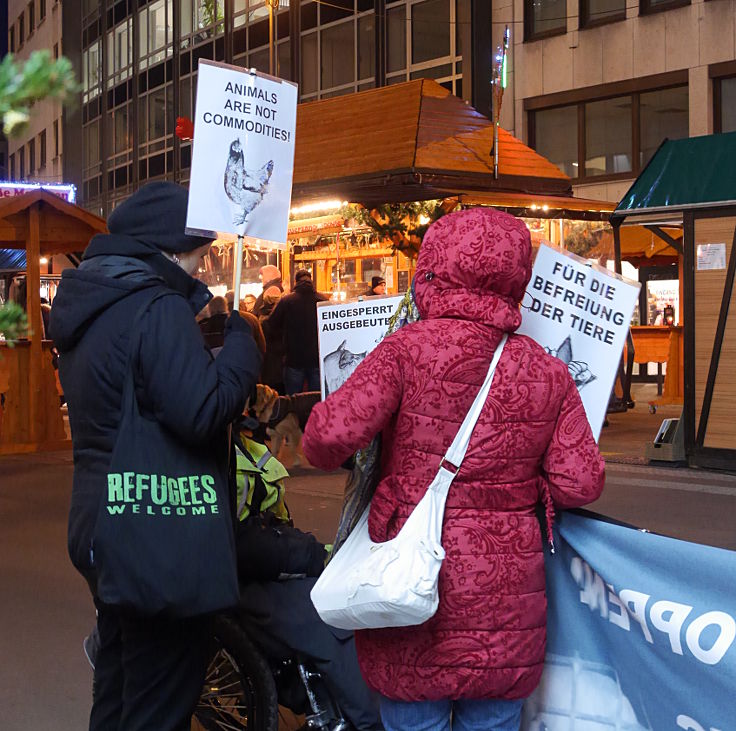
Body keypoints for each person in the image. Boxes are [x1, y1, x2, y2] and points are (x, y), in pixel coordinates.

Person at [302, 208, 605, 731]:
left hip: (410, 582)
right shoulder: (547, 369)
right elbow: (581, 481)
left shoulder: (405, 350)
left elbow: (324, 443)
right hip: (505, 602)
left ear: (433, 269)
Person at [48, 181, 262, 731]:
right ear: (168, 250)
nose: (202, 269)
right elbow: (199, 410)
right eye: (198, 256)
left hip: (104, 520)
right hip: (156, 532)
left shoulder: (94, 302)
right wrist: (243, 348)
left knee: (120, 691)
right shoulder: (157, 306)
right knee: (157, 706)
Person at [266, 268, 326, 394]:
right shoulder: (323, 300)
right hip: (317, 358)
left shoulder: (287, 301)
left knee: (292, 401)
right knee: (315, 398)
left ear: (296, 282)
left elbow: (271, 324)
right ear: (311, 281)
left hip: (293, 358)